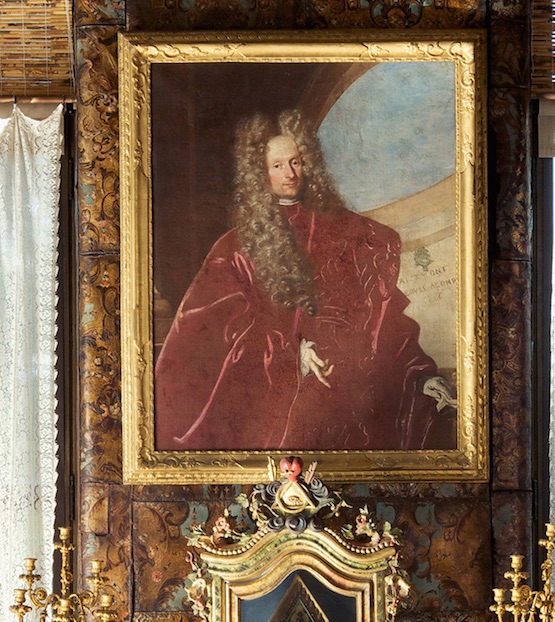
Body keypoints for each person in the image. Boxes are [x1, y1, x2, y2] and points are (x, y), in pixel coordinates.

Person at [155, 109, 455, 452]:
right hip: (276, 405)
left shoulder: (346, 233)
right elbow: (211, 332)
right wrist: (289, 353)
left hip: (347, 396)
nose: (290, 174)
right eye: (278, 165)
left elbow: (382, 317)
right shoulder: (234, 247)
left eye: (296, 162)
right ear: (260, 174)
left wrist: (421, 373)